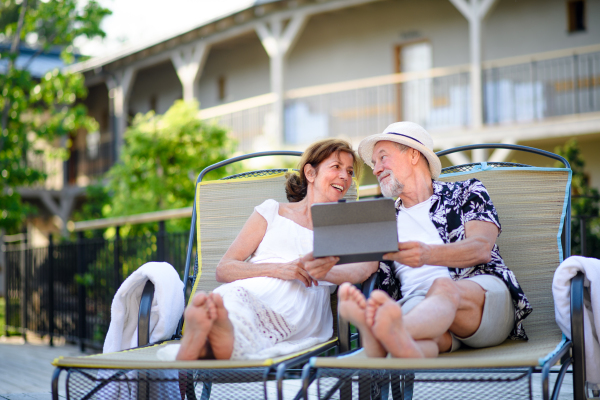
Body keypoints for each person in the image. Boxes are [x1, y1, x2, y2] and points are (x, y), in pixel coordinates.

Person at [338, 121, 532, 358]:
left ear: (413, 155)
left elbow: (481, 248)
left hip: (480, 304)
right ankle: (392, 339)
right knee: (422, 341)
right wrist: (317, 269)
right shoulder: (382, 218)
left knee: (443, 288)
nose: (376, 169)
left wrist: (427, 255)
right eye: (374, 163)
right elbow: (362, 267)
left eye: (382, 157)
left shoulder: (467, 192)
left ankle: (379, 337)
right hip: (421, 310)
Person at [176, 139, 379, 361]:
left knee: (238, 317)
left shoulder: (348, 223)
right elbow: (224, 269)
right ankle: (214, 334)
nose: (345, 176)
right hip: (250, 290)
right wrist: (281, 269)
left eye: (350, 172)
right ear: (310, 173)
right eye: (336, 167)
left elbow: (366, 267)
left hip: (297, 307)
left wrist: (320, 271)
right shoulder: (271, 211)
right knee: (232, 300)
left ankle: (218, 335)